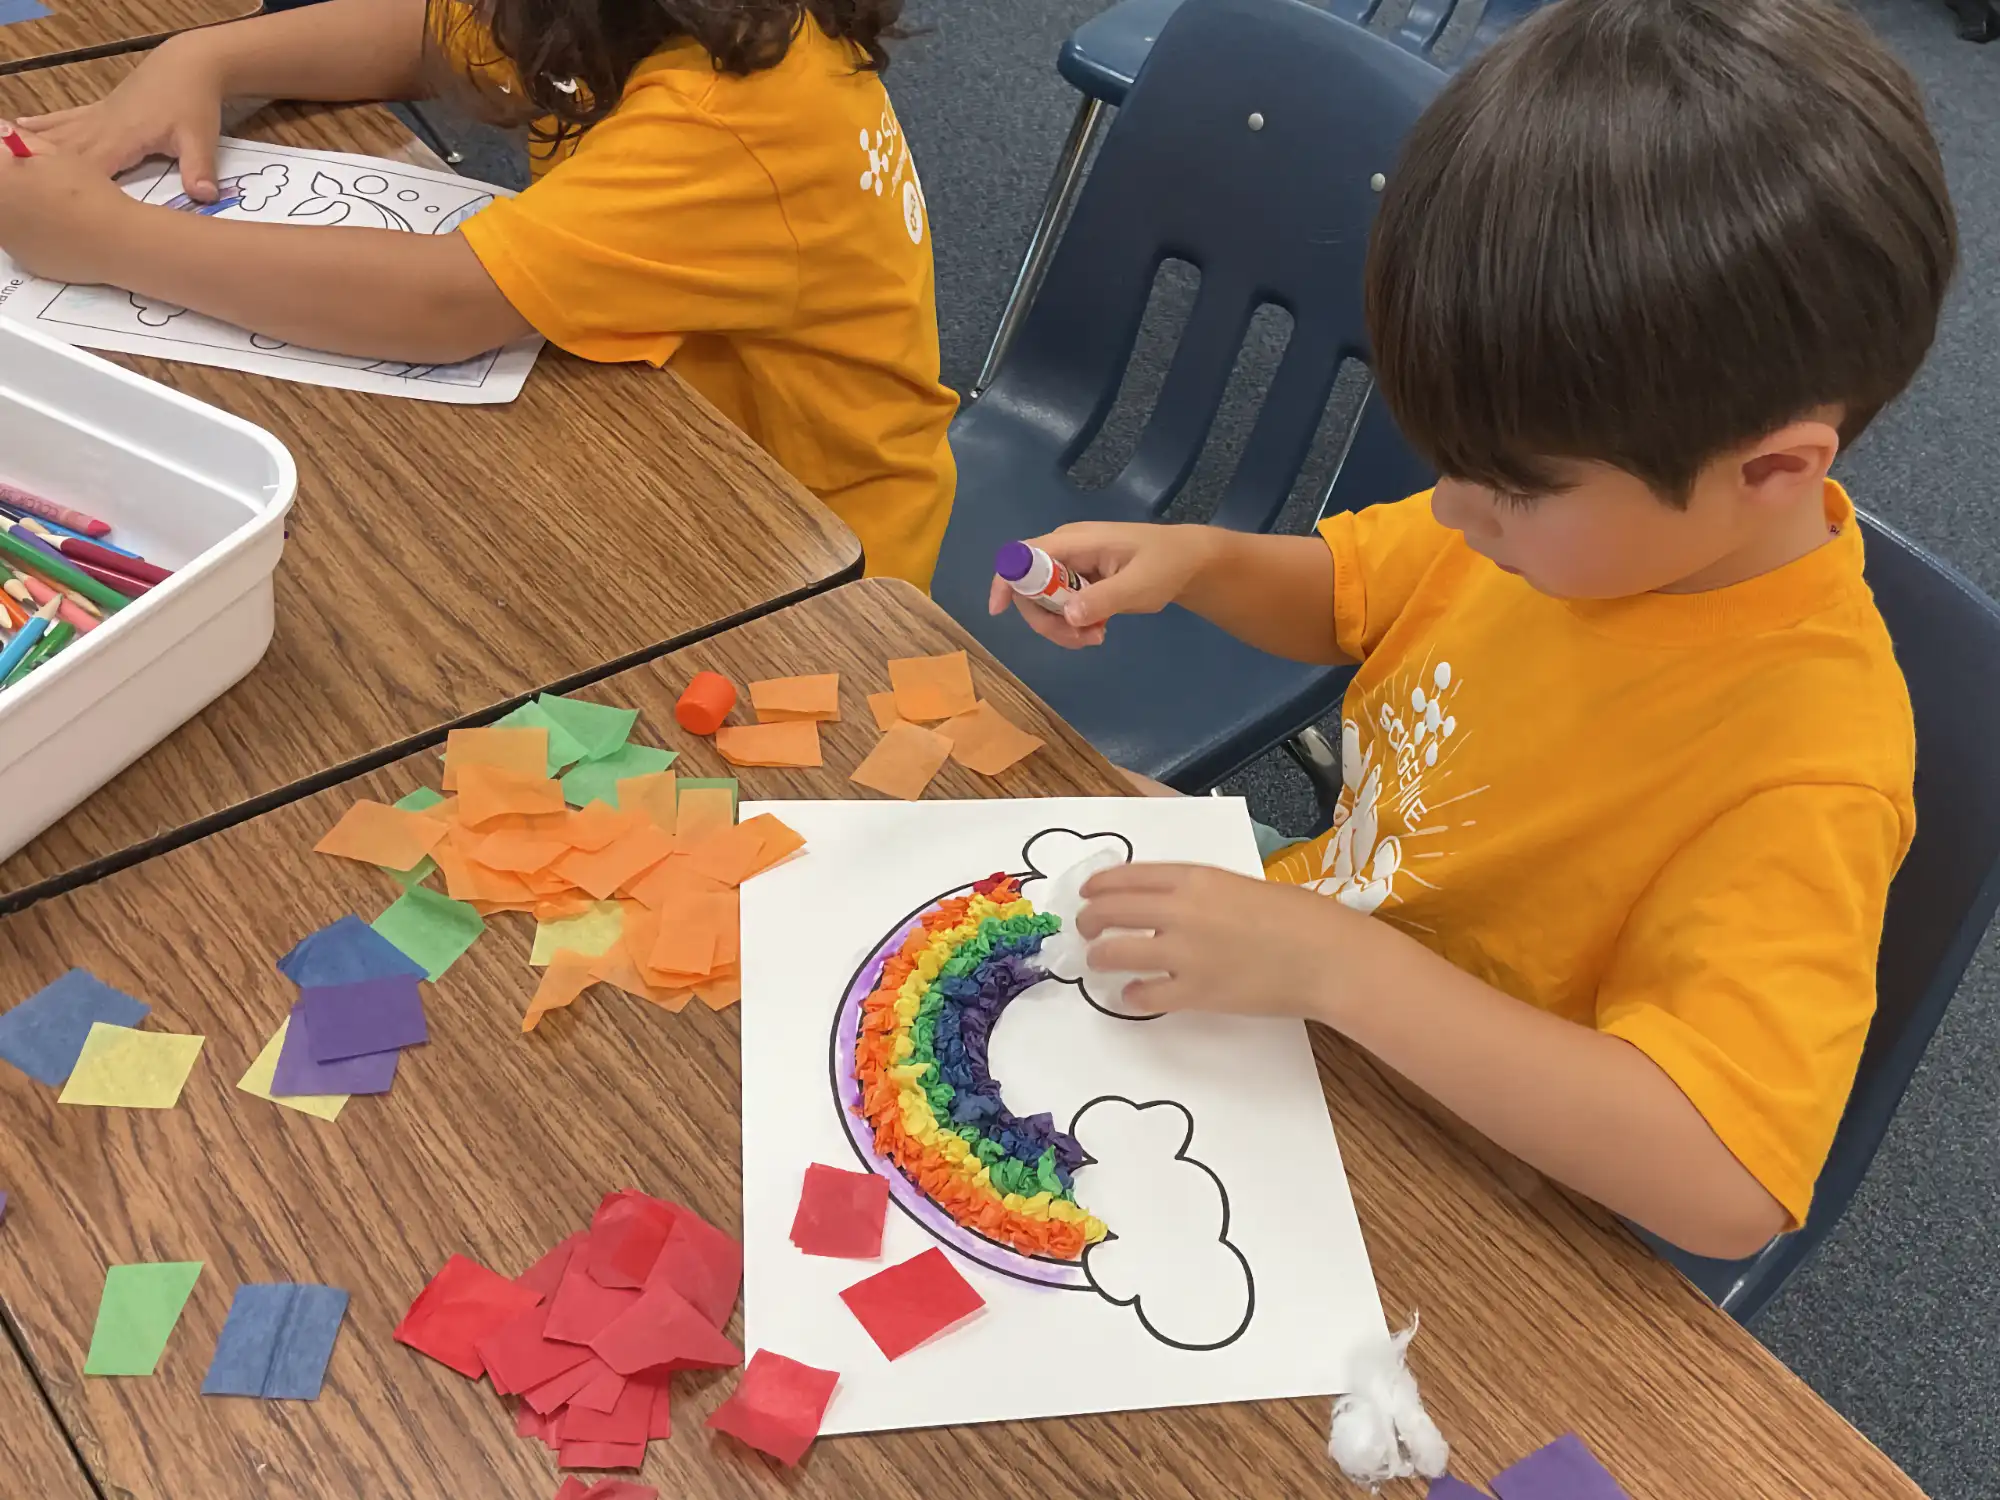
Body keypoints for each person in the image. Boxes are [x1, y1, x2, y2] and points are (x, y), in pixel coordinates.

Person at [990, 0, 1955, 1259]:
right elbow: (1352, 587)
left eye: (1508, 484)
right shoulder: (1545, 522)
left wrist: (1339, 969)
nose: (1450, 507)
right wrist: (1199, 562)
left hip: (1464, 1161)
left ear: (1772, 472)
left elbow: (1723, 1182)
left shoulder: (1804, 769)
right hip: (1308, 993)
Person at [0, 0, 957, 588]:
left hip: (801, 540)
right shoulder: (639, 12)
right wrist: (203, 57)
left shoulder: (730, 112)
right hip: (640, 429)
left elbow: (445, 308)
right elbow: (430, 31)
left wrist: (109, 238)